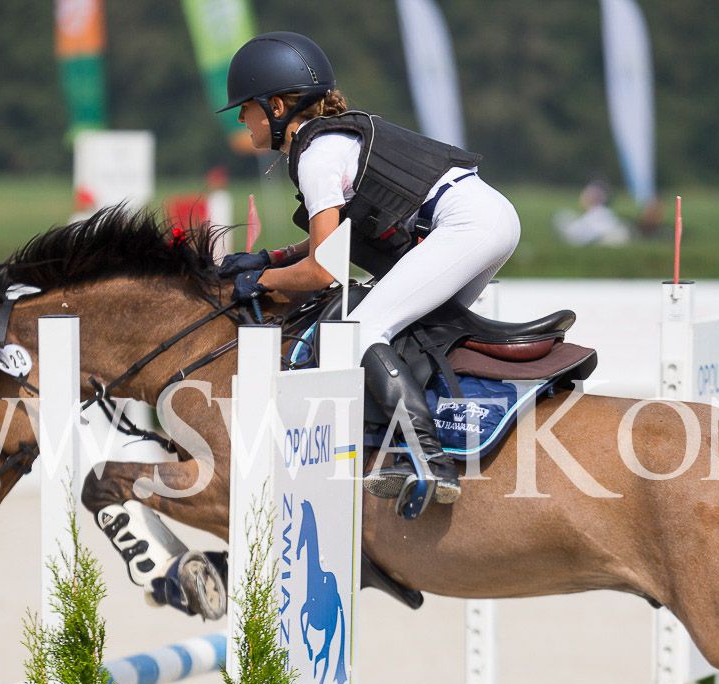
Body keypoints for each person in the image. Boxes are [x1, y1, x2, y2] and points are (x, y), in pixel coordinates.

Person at [215, 31, 521, 510]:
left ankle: (428, 460)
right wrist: (273, 258)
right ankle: (419, 439)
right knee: (410, 330)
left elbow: (323, 271)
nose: (240, 118)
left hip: (467, 226)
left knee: (361, 330)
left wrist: (258, 281)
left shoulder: (317, 156)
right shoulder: (329, 143)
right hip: (486, 219)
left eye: (246, 107)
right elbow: (332, 240)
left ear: (275, 107)